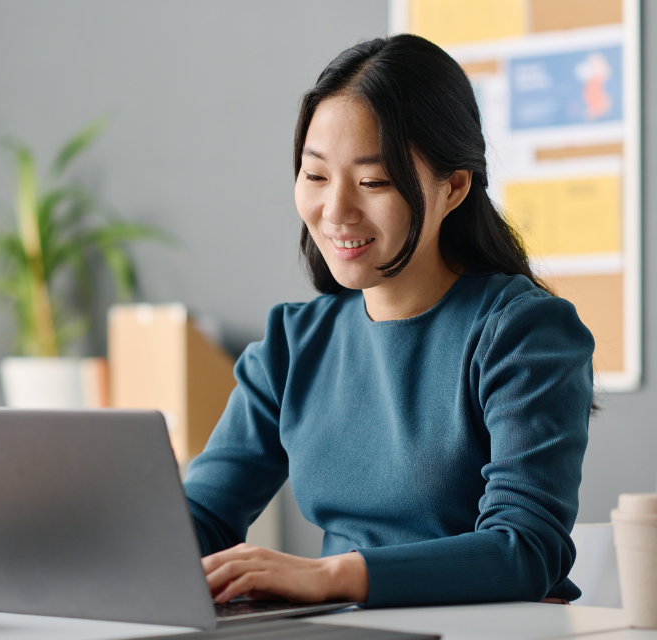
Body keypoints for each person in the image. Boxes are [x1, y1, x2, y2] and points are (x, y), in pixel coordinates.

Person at [182, 34, 595, 608]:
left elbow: (524, 550)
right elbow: (202, 514)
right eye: (316, 176)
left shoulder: (523, 332)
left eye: (373, 182)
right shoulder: (292, 344)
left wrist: (327, 576)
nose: (335, 211)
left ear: (452, 188)